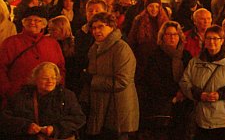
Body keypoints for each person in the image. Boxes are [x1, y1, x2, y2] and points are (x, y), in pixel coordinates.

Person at [180, 25, 225, 140]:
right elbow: (185, 82)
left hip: (224, 118)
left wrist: (221, 94)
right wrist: (199, 94)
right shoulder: (195, 62)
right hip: (202, 118)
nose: (212, 42)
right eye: (208, 38)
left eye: (215, 38)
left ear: (222, 41)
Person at [85, 11, 139, 139]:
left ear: (111, 27)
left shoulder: (121, 48)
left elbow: (122, 81)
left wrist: (93, 80)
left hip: (118, 107)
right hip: (100, 106)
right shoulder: (94, 48)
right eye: (94, 28)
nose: (96, 31)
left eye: (101, 26)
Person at [136, 21, 192, 140]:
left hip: (184, 103)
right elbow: (153, 79)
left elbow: (192, 76)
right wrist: (174, 93)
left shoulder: (186, 55)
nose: (172, 37)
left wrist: (183, 92)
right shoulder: (155, 55)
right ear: (162, 37)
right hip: (162, 104)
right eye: (169, 34)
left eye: (175, 34)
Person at [0, 61, 85, 140]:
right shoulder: (22, 96)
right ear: (35, 79)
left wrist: (55, 129)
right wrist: (26, 126)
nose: (50, 81)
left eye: (53, 78)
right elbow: (5, 118)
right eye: (45, 78)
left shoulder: (67, 96)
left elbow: (78, 118)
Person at [0, 8, 65, 100]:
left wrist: (59, 87)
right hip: (18, 96)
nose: (32, 23)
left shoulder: (52, 43)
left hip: (48, 96)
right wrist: (8, 90)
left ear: (43, 24)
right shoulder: (11, 42)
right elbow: (1, 68)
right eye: (28, 20)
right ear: (23, 23)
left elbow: (60, 67)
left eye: (36, 20)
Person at [47, 16, 79, 93]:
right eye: (49, 30)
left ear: (63, 30)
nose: (50, 33)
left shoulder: (74, 44)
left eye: (53, 30)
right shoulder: (47, 42)